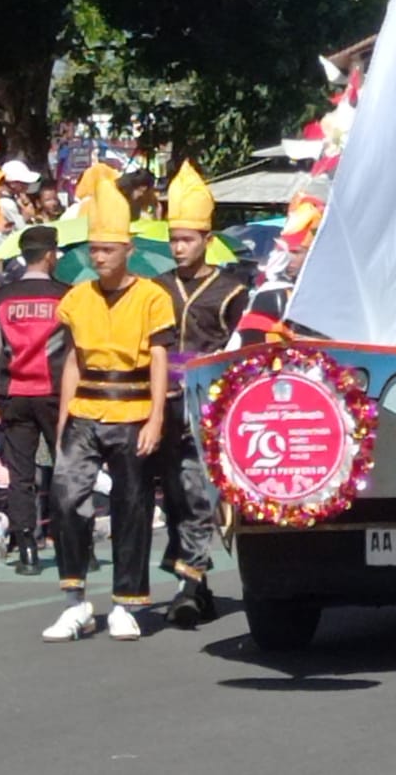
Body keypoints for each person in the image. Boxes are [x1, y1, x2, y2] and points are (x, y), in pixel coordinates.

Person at [43, 178, 174, 642]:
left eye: (107, 250)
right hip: (85, 410)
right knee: (65, 497)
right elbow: (72, 360)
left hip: (134, 408)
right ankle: (74, 601)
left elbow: (160, 357)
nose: (98, 257)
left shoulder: (153, 297)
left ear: (127, 249)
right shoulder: (76, 298)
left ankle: (126, 602)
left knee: (132, 505)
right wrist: (63, 418)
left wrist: (156, 416)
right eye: (93, 249)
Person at [154, 163, 247, 625]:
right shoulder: (155, 288)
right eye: (174, 239)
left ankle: (189, 585)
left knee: (197, 493)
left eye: (186, 239)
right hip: (162, 404)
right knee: (172, 495)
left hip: (208, 407)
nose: (178, 247)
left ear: (206, 240)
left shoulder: (231, 291)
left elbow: (241, 350)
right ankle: (196, 583)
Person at [0, 225, 69, 575]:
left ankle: (27, 551)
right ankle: (77, 544)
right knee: (67, 470)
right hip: (56, 394)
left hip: (14, 394)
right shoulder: (67, 296)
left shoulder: (1, 298)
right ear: (51, 254)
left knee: (20, 476)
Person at [233, 187, 326, 347]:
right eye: (285, 251)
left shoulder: (330, 293)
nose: (288, 259)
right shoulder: (273, 294)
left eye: (296, 252)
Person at [0, 159, 41, 230]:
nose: (27, 186)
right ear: (12, 184)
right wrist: (25, 217)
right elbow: (20, 229)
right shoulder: (7, 204)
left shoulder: (16, 198)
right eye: (24, 183)